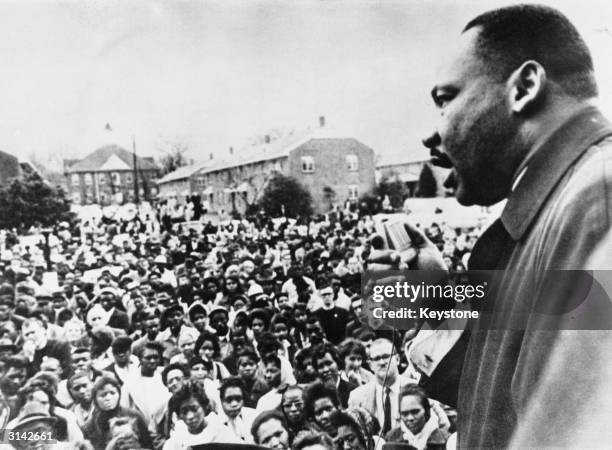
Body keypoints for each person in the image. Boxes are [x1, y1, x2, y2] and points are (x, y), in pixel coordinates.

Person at [386, 4, 612, 448]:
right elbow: (508, 399)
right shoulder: (564, 205)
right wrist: (435, 297)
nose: (431, 137)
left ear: (525, 87)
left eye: (445, 99)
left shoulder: (596, 203)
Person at [162, 380, 239, 449]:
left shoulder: (221, 432)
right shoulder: (177, 438)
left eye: (194, 409)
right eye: (184, 412)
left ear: (204, 407)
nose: (190, 416)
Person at [81, 375, 152, 450]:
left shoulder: (134, 416)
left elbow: (148, 444)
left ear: (119, 395)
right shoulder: (90, 426)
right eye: (103, 395)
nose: (108, 398)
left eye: (112, 393)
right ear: (95, 400)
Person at [384, 385, 449, 450]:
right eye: (404, 414)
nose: (410, 418)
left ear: (426, 411)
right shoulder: (391, 439)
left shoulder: (445, 440)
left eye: (415, 412)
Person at [218, 376, 257, 443]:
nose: (234, 404)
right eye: (229, 399)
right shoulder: (214, 422)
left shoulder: (253, 416)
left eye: (238, 399)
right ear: (221, 400)